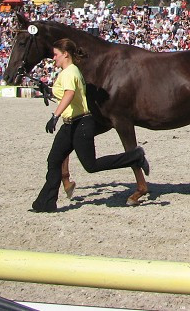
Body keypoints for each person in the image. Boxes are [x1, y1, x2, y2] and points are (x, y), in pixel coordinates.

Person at [31, 38, 148, 212]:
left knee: (91, 165)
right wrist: (47, 90)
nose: (53, 58)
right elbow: (67, 96)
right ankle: (45, 203)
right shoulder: (68, 72)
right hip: (69, 124)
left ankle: (134, 156)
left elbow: (70, 94)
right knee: (54, 160)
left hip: (81, 124)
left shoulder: (71, 72)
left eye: (55, 55)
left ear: (65, 54)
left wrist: (54, 116)